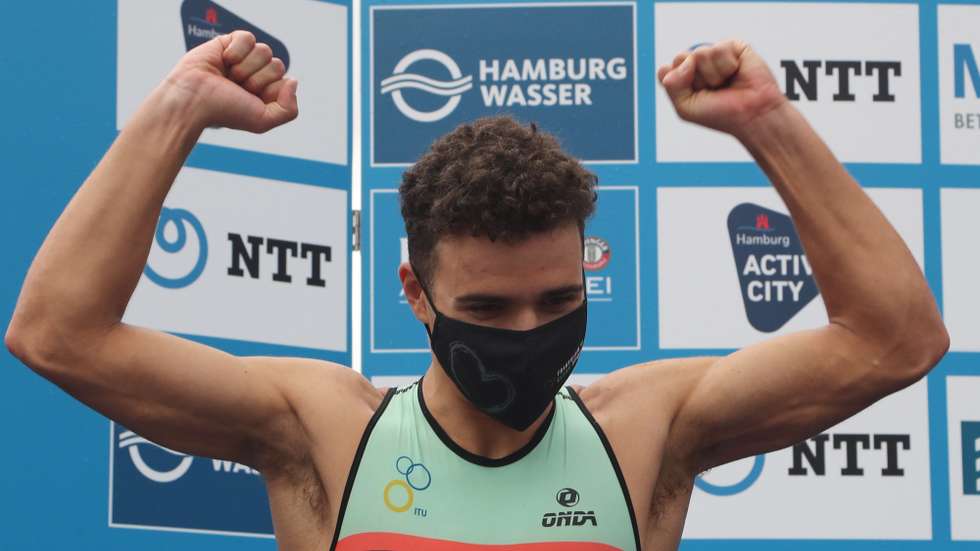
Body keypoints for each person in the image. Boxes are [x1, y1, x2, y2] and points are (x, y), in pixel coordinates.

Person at [5, 30, 948, 550]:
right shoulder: (324, 430)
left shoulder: (647, 428)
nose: (528, 330)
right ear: (415, 291)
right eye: (488, 309)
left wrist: (768, 122)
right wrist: (179, 108)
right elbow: (57, 332)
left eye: (556, 300)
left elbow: (896, 339)